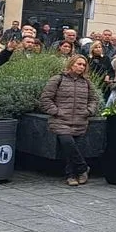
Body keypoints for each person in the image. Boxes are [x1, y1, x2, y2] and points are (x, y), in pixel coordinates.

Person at [39, 54, 97, 187]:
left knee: (73, 149)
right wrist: (56, 111)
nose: (81, 67)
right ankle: (83, 168)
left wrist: (88, 111)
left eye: (83, 65)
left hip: (80, 121)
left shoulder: (87, 82)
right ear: (71, 64)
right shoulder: (58, 79)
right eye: (79, 64)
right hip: (61, 121)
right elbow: (45, 98)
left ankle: (71, 175)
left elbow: (94, 99)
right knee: (68, 144)